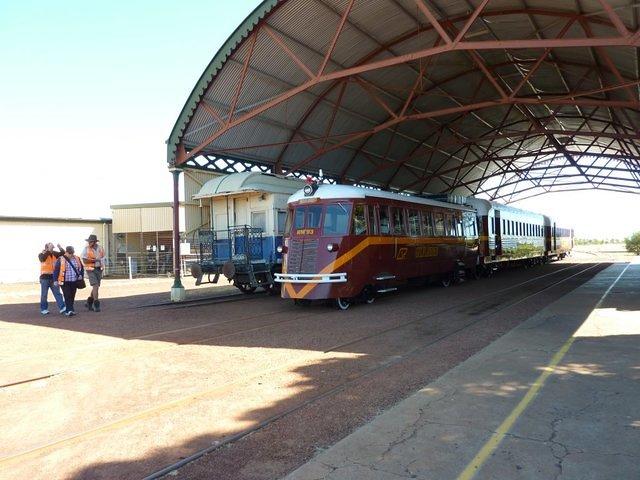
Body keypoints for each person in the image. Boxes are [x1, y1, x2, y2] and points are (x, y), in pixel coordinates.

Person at [53, 246, 84, 317]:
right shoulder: (61, 259)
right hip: (64, 281)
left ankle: (70, 309)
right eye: (70, 253)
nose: (71, 254)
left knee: (72, 295)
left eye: (72, 253)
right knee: (67, 295)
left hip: (74, 281)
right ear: (66, 252)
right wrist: (55, 280)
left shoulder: (77, 258)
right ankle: (69, 310)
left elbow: (81, 268)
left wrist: (81, 275)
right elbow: (56, 270)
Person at [38, 242, 66, 315]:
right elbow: (42, 259)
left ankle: (62, 308)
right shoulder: (41, 254)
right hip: (44, 278)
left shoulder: (54, 254)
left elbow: (63, 253)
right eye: (50, 245)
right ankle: (44, 309)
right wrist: (48, 250)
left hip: (53, 277)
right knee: (44, 294)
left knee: (57, 293)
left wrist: (60, 247)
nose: (52, 245)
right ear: (47, 247)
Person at [81, 234, 105, 312]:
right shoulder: (86, 249)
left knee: (96, 286)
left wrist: (102, 265)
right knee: (95, 286)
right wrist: (95, 260)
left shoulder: (101, 248)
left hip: (99, 269)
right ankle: (96, 305)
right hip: (90, 269)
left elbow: (103, 258)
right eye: (89, 241)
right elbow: (84, 260)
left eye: (90, 241)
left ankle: (89, 302)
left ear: (94, 242)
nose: (89, 243)